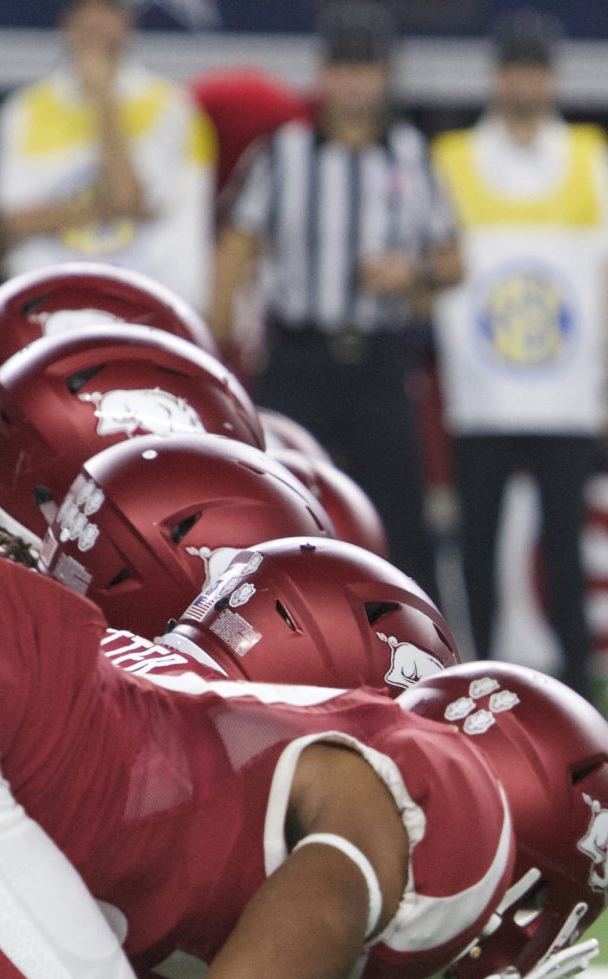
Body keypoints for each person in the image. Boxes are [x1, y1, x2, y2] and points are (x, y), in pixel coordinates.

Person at [431, 9, 608, 698]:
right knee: (479, 548)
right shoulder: (453, 160)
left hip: (568, 393)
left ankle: (576, 684)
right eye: (515, 67)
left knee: (564, 546)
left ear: (550, 76)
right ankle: (474, 676)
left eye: (536, 68)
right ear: (497, 75)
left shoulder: (588, 155)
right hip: (481, 393)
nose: (525, 80)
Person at [216, 1, 454, 584]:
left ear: (386, 75)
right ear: (323, 73)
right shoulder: (282, 154)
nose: (354, 83)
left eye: (366, 69)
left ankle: (411, 655)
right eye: (344, 68)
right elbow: (237, 250)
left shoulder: (412, 156)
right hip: (299, 355)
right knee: (279, 507)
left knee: (398, 516)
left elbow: (451, 261)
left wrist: (413, 275)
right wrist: (216, 344)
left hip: (379, 358)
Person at [0, 0, 216, 312]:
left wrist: (102, 98)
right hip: (51, 309)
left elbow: (127, 196)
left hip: (144, 309)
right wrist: (110, 207)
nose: (94, 20)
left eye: (108, 8)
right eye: (84, 9)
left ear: (128, 21)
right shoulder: (23, 109)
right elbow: (13, 221)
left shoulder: (172, 106)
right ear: (66, 22)